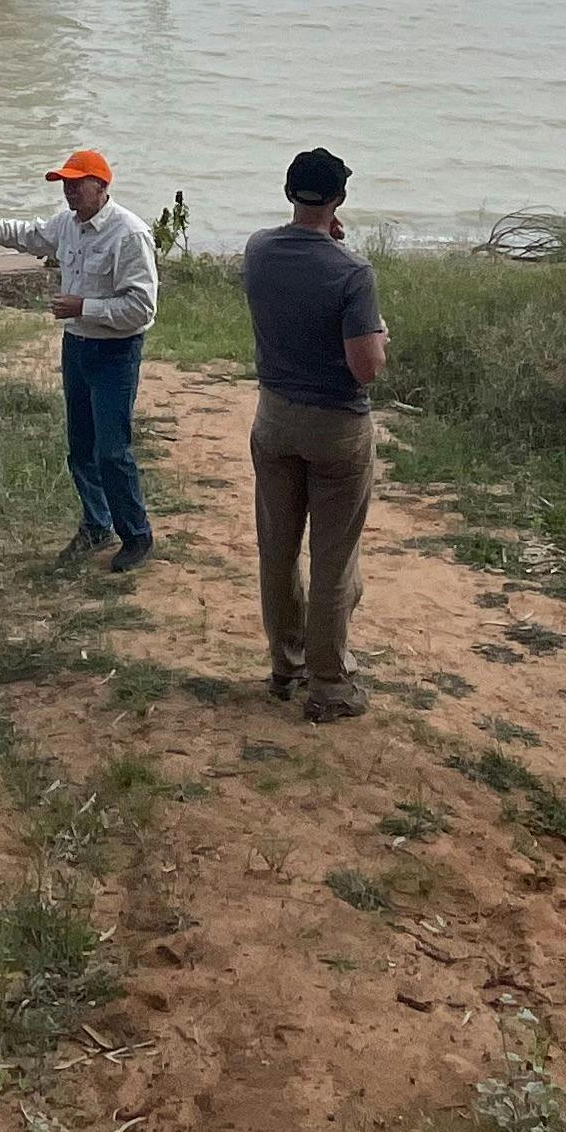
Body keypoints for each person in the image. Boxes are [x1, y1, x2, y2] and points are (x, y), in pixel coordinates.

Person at [0, 150, 160, 569]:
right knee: (81, 446)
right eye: (64, 184)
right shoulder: (67, 225)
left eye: (76, 184)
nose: (68, 192)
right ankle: (96, 523)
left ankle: (136, 535)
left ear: (101, 187)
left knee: (112, 450)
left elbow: (142, 309)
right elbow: (30, 234)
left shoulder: (129, 234)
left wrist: (84, 307)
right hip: (77, 347)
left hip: (115, 352)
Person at [240, 146, 387, 719]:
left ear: (287, 193)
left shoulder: (258, 249)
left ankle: (286, 663)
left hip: (273, 416)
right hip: (336, 425)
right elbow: (366, 367)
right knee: (333, 558)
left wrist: (324, 237)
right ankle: (329, 685)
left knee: (277, 548)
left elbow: (291, 270)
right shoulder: (352, 273)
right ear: (339, 200)